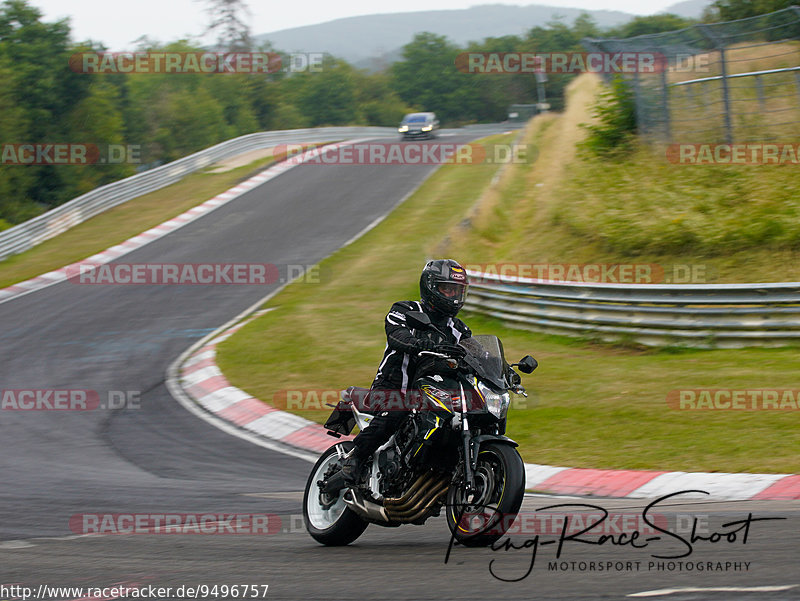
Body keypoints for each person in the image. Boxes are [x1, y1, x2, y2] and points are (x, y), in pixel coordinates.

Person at [341, 259, 471, 484]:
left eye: (456, 291)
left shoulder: (459, 329)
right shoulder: (405, 310)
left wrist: (502, 371)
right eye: (446, 289)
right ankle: (355, 457)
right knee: (397, 408)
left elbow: (474, 355)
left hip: (433, 392)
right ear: (430, 287)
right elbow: (396, 336)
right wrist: (421, 344)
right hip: (393, 386)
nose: (452, 296)